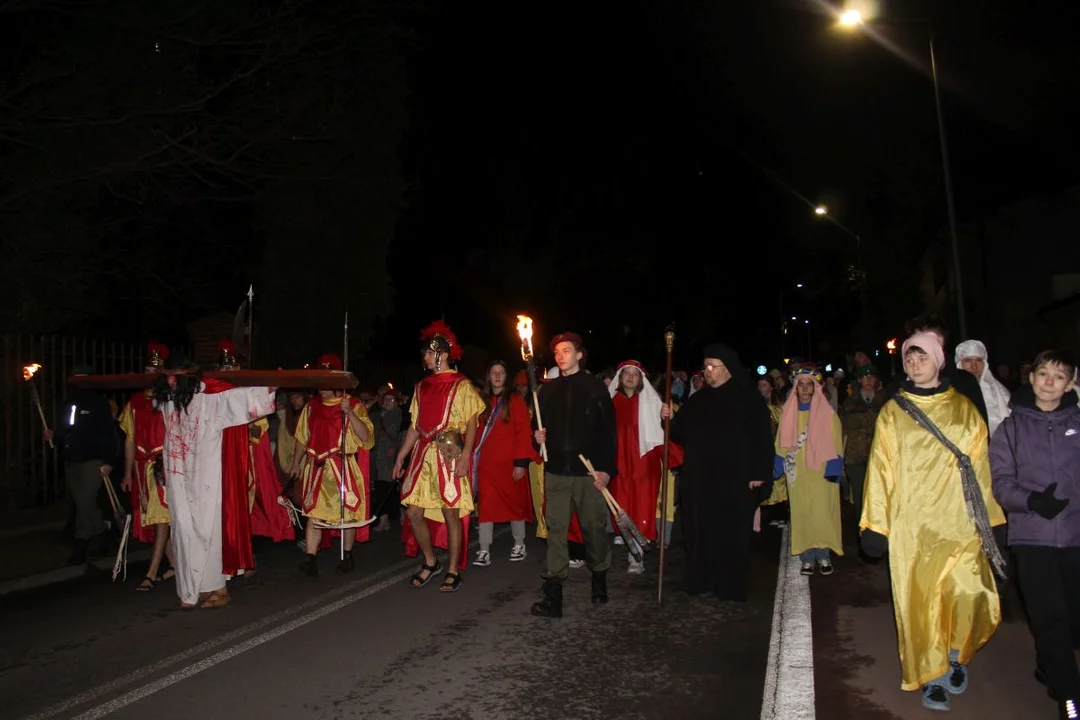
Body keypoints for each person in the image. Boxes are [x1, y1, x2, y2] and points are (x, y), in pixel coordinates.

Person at [861, 331, 1006, 712]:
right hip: (913, 525)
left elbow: (981, 468)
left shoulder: (964, 409)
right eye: (909, 358)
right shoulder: (893, 412)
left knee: (970, 592)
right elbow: (880, 470)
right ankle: (933, 675)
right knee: (921, 603)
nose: (913, 363)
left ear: (939, 360)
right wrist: (876, 525)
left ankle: (956, 653)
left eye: (921, 356)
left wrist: (992, 518)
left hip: (959, 520)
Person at [990, 350, 1080, 719]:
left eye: (1059, 377)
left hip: (1075, 535)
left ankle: (1049, 663)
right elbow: (1001, 482)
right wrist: (1031, 501)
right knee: (1050, 617)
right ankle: (1070, 696)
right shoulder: (1010, 428)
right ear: (1031, 377)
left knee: (1072, 618)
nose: (1049, 382)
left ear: (1071, 383)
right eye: (1043, 374)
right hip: (1032, 538)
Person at [153, 358, 275, 609]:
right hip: (178, 473)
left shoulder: (212, 398)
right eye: (166, 376)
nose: (169, 381)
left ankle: (217, 588)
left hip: (206, 474)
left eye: (174, 376)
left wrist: (271, 385)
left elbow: (246, 400)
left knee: (207, 527)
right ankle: (190, 589)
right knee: (182, 528)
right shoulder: (168, 401)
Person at [660, 343, 773, 601]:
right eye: (705, 366)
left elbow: (762, 441)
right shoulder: (698, 400)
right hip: (700, 479)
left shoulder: (749, 400)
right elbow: (680, 434)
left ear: (728, 369)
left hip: (735, 479)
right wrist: (667, 419)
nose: (706, 371)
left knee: (731, 532)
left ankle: (729, 585)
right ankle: (699, 580)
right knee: (699, 531)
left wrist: (759, 473)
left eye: (712, 367)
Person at [393, 321, 484, 593]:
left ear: (441, 354)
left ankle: (453, 569)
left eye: (429, 353)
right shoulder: (422, 386)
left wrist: (467, 455)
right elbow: (414, 425)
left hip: (449, 453)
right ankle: (431, 562)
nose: (425, 357)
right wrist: (401, 456)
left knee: (450, 513)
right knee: (413, 512)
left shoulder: (462, 385)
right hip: (423, 455)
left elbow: (471, 423)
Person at [531, 332, 617, 618]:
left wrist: (606, 470)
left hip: (587, 471)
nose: (560, 355)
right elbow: (538, 426)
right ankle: (553, 594)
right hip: (556, 470)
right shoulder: (547, 390)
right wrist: (538, 436)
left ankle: (599, 576)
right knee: (556, 530)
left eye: (566, 350)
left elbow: (608, 432)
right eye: (557, 351)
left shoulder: (594, 388)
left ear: (579, 354)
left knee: (593, 527)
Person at [290, 353, 375, 576]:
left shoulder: (353, 405)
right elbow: (302, 437)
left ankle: (347, 555)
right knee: (313, 514)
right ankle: (311, 558)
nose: (323, 386)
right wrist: (296, 462)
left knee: (346, 514)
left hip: (342, 468)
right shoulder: (311, 408)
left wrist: (350, 414)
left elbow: (366, 437)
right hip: (316, 467)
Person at [775, 363, 844, 576]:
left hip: (821, 472)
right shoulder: (788, 413)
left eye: (809, 385)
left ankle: (823, 555)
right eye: (801, 385)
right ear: (795, 388)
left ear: (816, 388)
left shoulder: (828, 414)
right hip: (798, 474)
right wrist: (777, 465)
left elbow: (836, 441)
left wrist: (834, 467)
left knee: (822, 513)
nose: (805, 389)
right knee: (802, 512)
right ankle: (806, 557)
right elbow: (781, 443)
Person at [48, 364, 122, 565]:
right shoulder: (67, 404)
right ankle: (102, 532)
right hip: (72, 459)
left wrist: (108, 461)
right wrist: (54, 435)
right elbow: (65, 429)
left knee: (85, 500)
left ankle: (82, 543)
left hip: (93, 459)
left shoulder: (99, 404)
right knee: (80, 500)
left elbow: (109, 434)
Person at [118, 343, 174, 590]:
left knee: (162, 518)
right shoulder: (134, 403)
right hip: (142, 470)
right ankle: (174, 566)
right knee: (155, 519)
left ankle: (151, 573)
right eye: (148, 369)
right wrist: (127, 472)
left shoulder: (170, 399)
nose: (151, 374)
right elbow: (129, 439)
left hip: (164, 467)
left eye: (156, 370)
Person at [472, 360, 534, 566]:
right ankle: (483, 549)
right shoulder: (480, 402)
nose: (497, 376)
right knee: (486, 506)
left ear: (506, 377)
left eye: (501, 372)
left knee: (514, 504)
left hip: (510, 463)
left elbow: (523, 432)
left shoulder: (515, 400)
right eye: (493, 372)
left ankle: (519, 544)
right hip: (487, 466)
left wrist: (521, 463)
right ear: (488, 376)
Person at [882, 314, 988, 427]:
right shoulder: (897, 387)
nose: (922, 344)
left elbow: (979, 430)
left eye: (929, 339)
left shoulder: (964, 383)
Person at [955, 339, 1012, 437]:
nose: (974, 366)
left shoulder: (1000, 392)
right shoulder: (951, 391)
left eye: (978, 360)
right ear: (960, 364)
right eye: (968, 360)